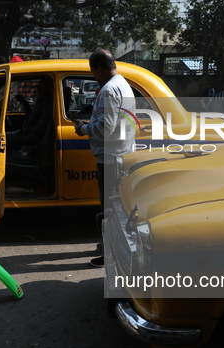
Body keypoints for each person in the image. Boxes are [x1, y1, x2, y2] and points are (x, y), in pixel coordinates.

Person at [74, 48, 136, 268]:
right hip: (121, 153)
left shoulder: (109, 90)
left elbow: (105, 128)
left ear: (99, 69)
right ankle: (111, 249)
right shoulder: (122, 84)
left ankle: (110, 255)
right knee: (116, 208)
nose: (94, 77)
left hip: (110, 158)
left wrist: (83, 129)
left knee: (110, 210)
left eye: (93, 72)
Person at [7, 79, 53, 150]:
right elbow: (31, 117)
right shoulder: (40, 102)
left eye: (41, 88)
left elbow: (41, 125)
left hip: (27, 136)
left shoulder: (46, 104)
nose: (38, 91)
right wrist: (24, 103)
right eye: (38, 88)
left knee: (0, 138)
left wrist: (27, 138)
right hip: (23, 133)